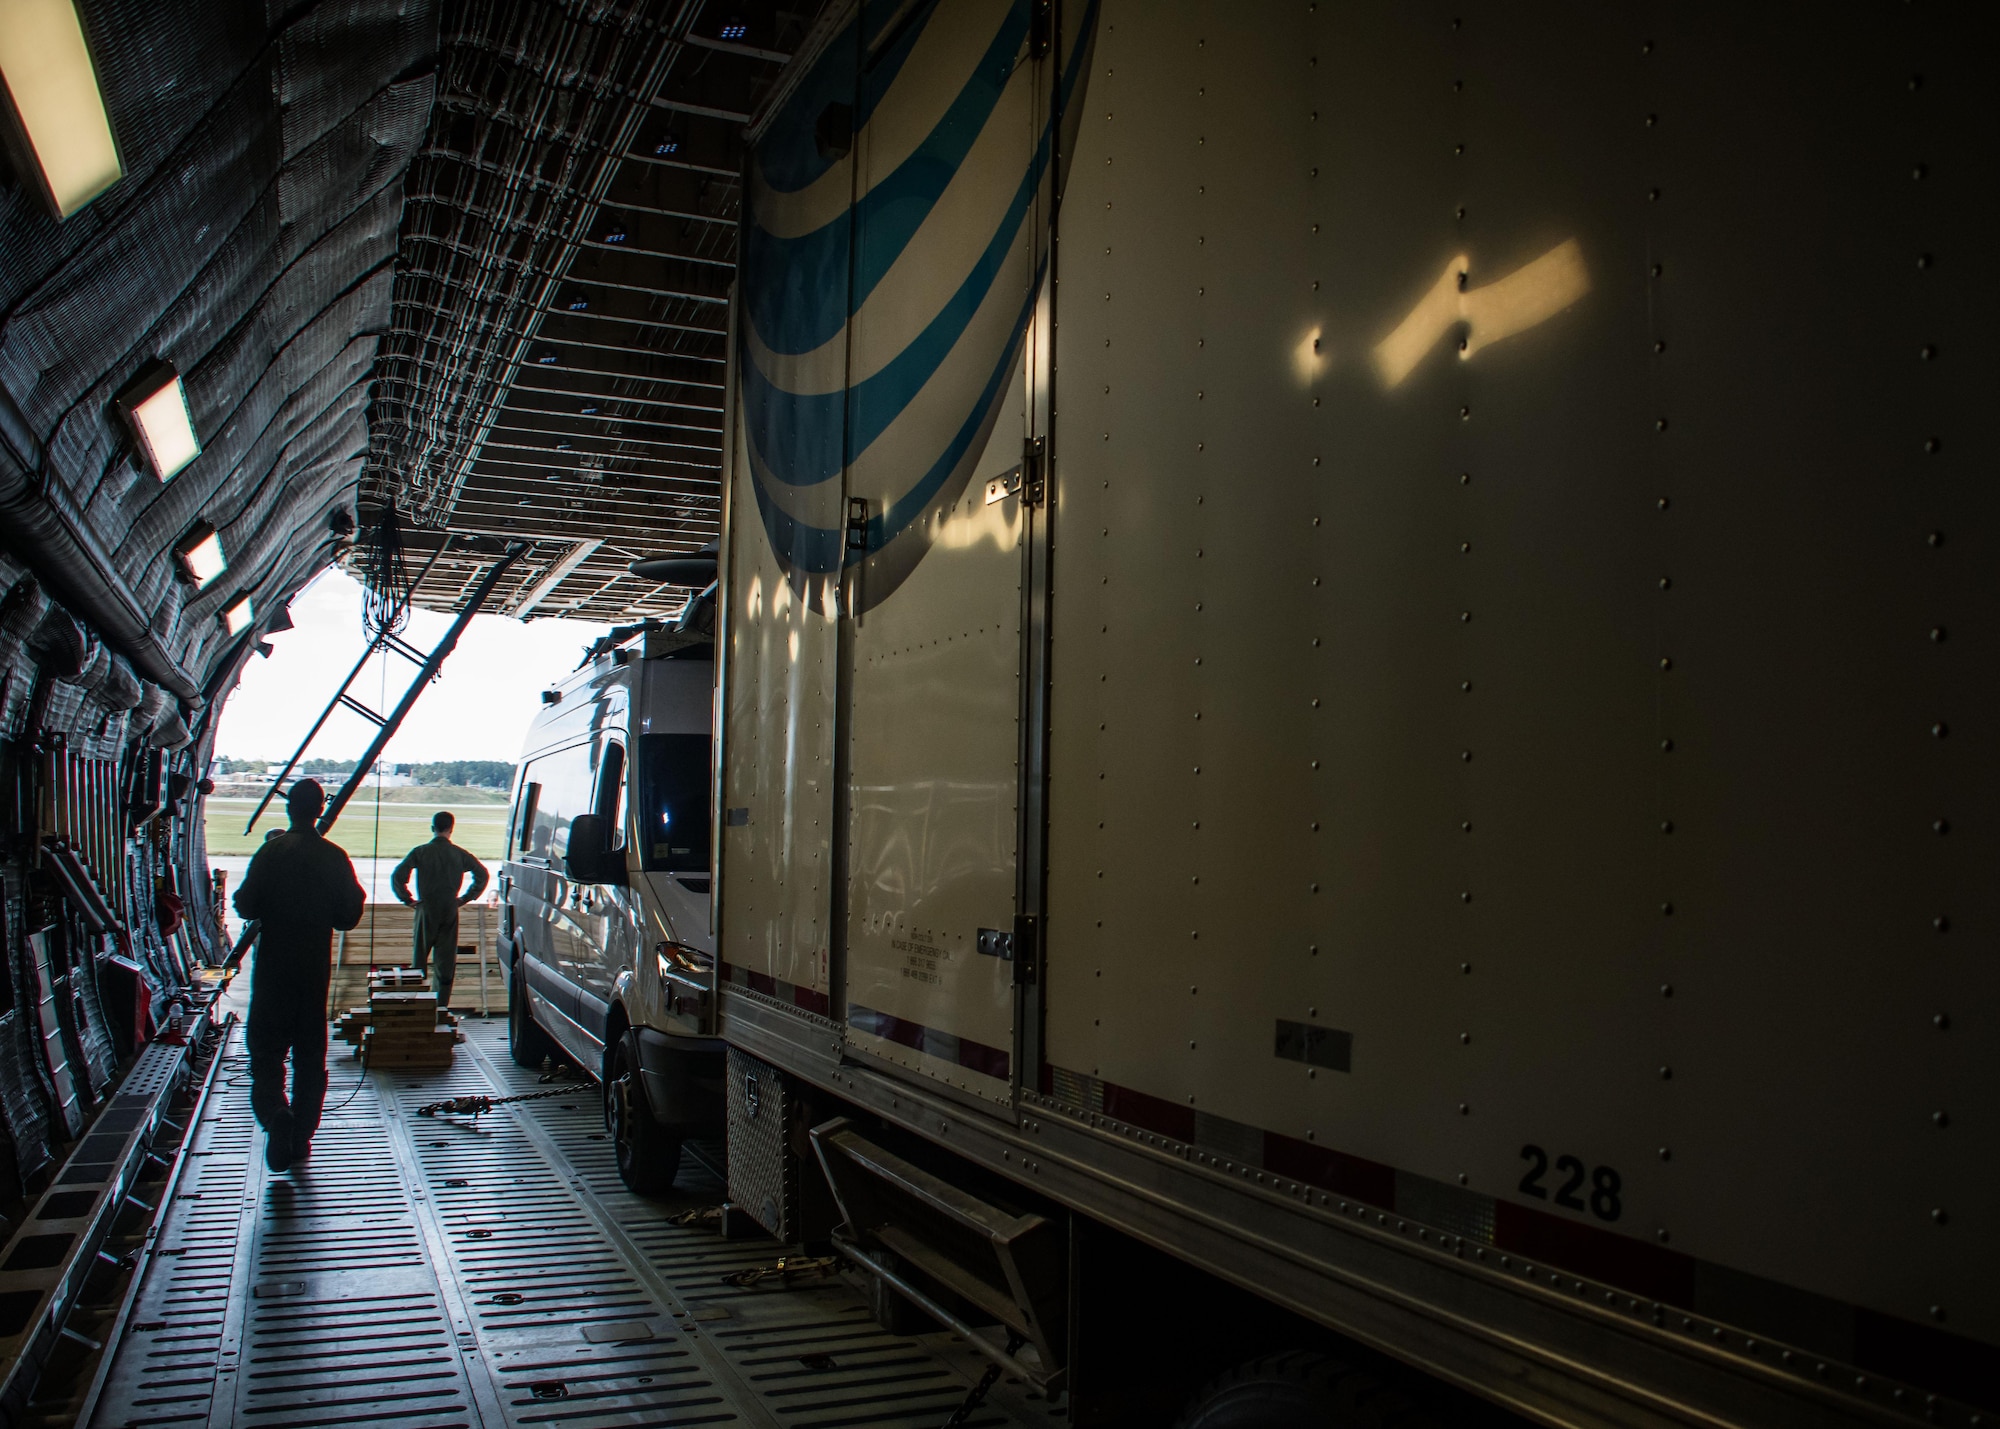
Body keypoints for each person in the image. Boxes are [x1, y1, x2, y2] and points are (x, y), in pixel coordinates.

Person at [232, 779, 365, 1172]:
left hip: (272, 973)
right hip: (313, 975)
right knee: (310, 1058)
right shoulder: (334, 856)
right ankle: (302, 1136)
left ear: (289, 809)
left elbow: (244, 904)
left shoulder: (270, 852)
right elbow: (349, 916)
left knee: (266, 1055)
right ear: (320, 809)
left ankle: (276, 1117)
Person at [390, 811, 490, 1007]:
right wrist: (465, 898)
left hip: (426, 908)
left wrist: (407, 899)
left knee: (419, 960)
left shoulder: (421, 851)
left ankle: (418, 1007)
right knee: (445, 964)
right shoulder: (460, 854)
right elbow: (482, 875)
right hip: (450, 909)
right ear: (451, 829)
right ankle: (440, 1007)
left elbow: (397, 876)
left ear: (432, 828)